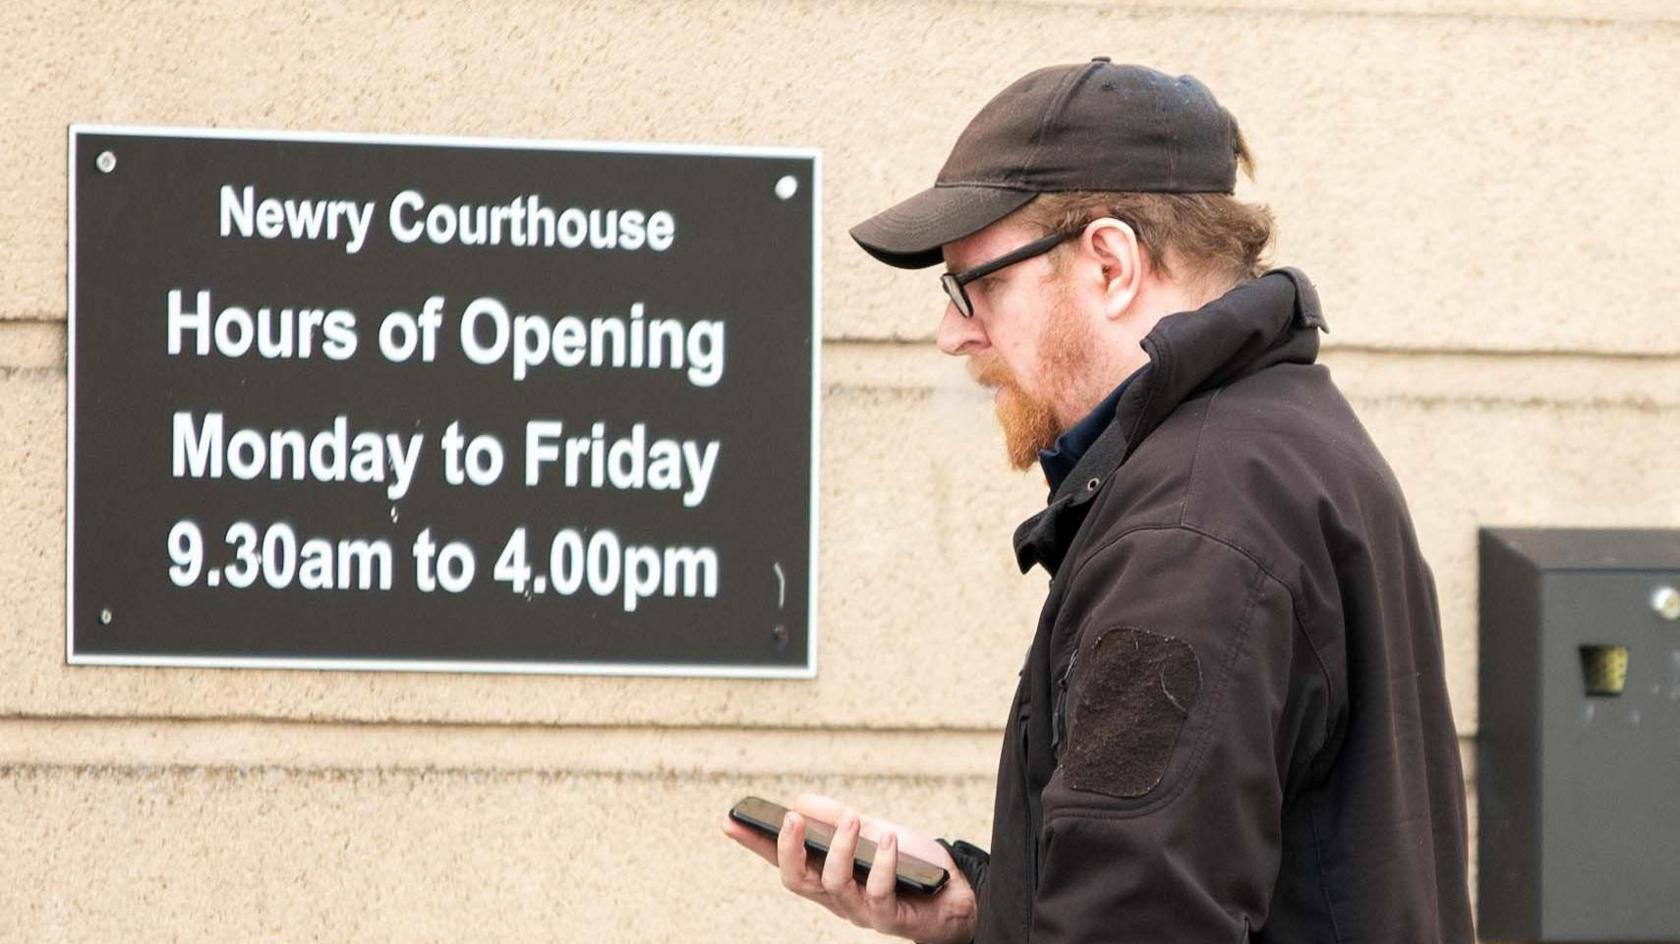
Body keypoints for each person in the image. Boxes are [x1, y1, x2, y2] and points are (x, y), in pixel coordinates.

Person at [723, 59, 1474, 943]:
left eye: (981, 285)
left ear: (1110, 264)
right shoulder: (1284, 444)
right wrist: (980, 908)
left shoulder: (1191, 530)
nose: (953, 332)